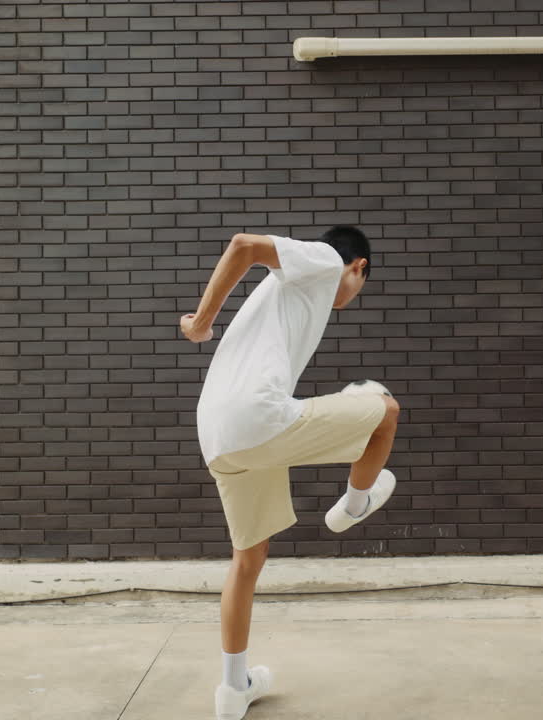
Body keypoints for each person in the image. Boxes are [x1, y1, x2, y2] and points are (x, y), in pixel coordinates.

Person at [179, 226, 400, 720]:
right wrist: (201, 323)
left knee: (248, 558)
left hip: (217, 435)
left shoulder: (290, 291)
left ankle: (235, 689)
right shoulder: (324, 260)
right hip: (258, 418)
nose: (352, 296)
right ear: (358, 267)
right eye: (360, 284)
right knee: (385, 411)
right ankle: (355, 502)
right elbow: (243, 246)